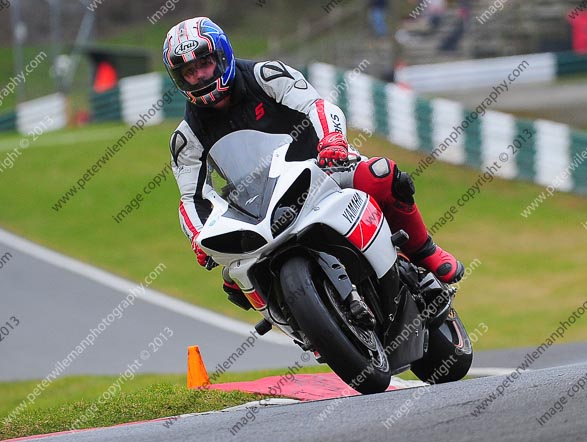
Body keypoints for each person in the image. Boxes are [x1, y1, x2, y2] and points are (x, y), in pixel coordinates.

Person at [163, 17, 464, 309]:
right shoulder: (186, 138)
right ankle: (303, 325)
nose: (200, 75)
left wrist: (332, 140)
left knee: (383, 175)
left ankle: (426, 252)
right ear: (179, 79)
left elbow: (316, 105)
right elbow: (191, 196)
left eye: (204, 63)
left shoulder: (266, 76)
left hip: (320, 169)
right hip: (258, 207)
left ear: (223, 56)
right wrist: (199, 238)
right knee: (234, 279)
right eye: (189, 71)